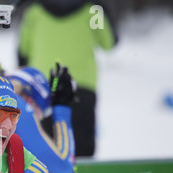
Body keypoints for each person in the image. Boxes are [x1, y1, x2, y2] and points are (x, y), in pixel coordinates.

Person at [17, 0, 118, 157]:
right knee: (82, 144)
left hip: (43, 86)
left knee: (46, 147)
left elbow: (23, 50)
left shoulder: (34, 11)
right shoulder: (93, 11)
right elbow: (109, 44)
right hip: (81, 85)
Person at [5, 63, 76, 173]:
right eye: (42, 112)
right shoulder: (18, 105)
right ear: (31, 100)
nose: (39, 119)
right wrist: (61, 107)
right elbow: (64, 169)